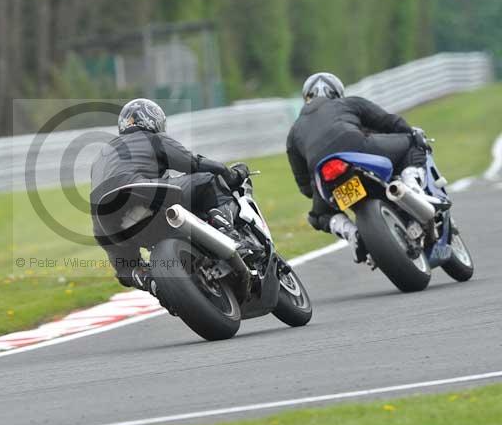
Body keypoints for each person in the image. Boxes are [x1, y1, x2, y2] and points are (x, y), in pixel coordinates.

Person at [90, 98, 249, 293]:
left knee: (126, 266)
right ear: (152, 120)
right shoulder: (151, 138)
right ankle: (230, 236)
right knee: (207, 180)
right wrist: (232, 174)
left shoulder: (101, 156)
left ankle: (153, 285)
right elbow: (193, 163)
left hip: (103, 216)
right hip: (139, 192)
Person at [286, 72, 428, 262]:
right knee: (412, 142)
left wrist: (316, 191)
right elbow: (387, 121)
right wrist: (410, 132)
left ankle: (352, 233)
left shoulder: (294, 132)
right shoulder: (347, 103)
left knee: (318, 215)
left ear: (307, 97)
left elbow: (304, 185)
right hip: (357, 149)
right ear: (336, 92)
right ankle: (413, 189)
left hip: (325, 176)